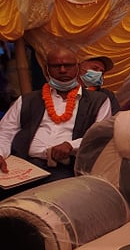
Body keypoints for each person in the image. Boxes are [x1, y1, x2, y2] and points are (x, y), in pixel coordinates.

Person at [0, 46, 113, 187]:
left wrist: (71, 145)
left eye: (68, 65)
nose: (62, 70)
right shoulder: (27, 100)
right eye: (56, 66)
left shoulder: (98, 101)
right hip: (23, 165)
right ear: (47, 69)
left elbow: (100, 137)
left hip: (67, 168)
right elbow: (5, 132)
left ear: (77, 68)